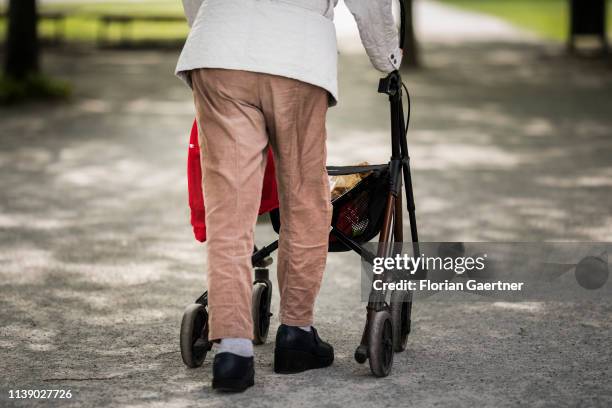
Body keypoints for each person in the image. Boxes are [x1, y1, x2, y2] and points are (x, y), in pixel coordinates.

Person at [176, 0, 402, 392]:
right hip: (296, 53)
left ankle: (232, 351)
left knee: (229, 208)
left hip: (219, 49)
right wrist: (388, 59)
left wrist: (215, 28)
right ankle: (296, 332)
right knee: (303, 195)